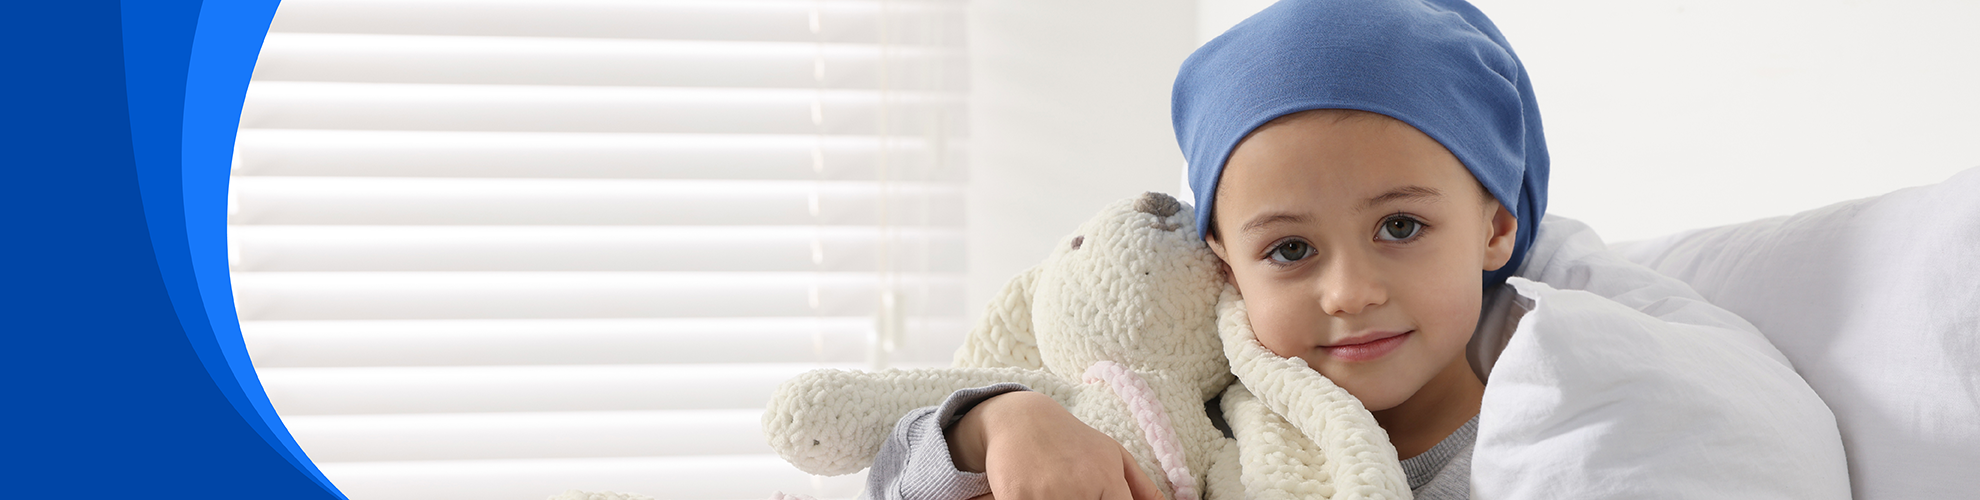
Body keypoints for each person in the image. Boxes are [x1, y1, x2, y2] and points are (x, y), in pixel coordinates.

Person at [862, 0, 1546, 498]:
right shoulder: (1189, 420)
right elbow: (889, 478)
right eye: (1291, 249)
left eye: (1400, 227)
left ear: (1496, 226)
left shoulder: (1541, 450)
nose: (1349, 292)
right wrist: (1001, 424)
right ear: (1223, 261)